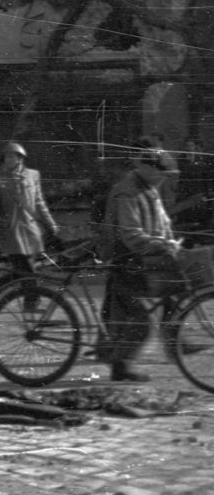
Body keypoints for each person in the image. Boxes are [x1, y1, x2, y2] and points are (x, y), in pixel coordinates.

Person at [97, 140, 183, 383]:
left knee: (170, 293)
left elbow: (162, 223)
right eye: (160, 174)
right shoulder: (128, 190)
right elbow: (131, 234)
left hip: (142, 259)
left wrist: (170, 242)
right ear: (145, 167)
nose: (162, 180)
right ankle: (121, 366)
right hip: (125, 259)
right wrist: (161, 244)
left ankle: (173, 343)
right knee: (139, 318)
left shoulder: (148, 187)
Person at [0, 141, 60, 279]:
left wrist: (51, 223)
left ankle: (1, 287)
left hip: (30, 228)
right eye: (6, 157)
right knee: (25, 268)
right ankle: (32, 298)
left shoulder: (33, 175)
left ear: (20, 158)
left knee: (26, 269)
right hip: (11, 230)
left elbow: (40, 203)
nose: (8, 160)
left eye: (12, 156)